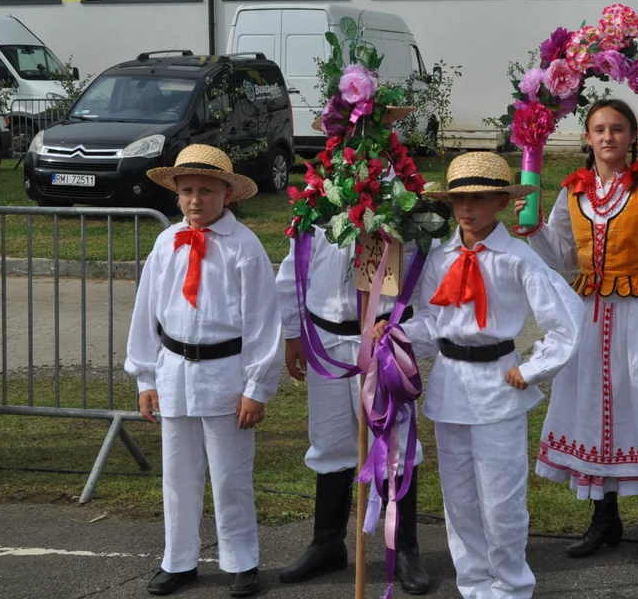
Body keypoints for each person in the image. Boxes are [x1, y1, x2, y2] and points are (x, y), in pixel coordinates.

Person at [372, 152, 583, 599]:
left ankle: (509, 587)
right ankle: (473, 584)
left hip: (497, 386)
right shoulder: (440, 256)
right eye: (458, 200)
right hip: (451, 386)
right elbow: (432, 321)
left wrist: (532, 367)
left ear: (502, 202)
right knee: (461, 501)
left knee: (501, 500)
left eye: (479, 199)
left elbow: (566, 320)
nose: (466, 209)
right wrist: (395, 336)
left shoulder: (517, 258)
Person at [513, 99, 638, 568]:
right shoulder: (572, 192)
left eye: (617, 129)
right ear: (586, 138)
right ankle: (605, 519)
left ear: (633, 137)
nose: (607, 137)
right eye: (598, 129)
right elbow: (561, 254)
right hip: (589, 314)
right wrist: (533, 225)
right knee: (592, 406)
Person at [125, 145, 282, 597]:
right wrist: (146, 377)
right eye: (187, 190)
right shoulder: (165, 242)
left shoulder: (245, 249)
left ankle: (241, 560)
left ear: (228, 194)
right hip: (174, 369)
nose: (196, 200)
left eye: (207, 191)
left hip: (226, 374)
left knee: (231, 474)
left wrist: (257, 388)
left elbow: (263, 323)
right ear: (175, 193)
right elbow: (146, 313)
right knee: (178, 475)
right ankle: (179, 560)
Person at [274, 229, 432, 593]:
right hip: (325, 338)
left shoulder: (403, 207)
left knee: (393, 442)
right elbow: (293, 273)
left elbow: (429, 271)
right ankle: (327, 543)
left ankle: (404, 549)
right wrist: (293, 331)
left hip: (383, 339)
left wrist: (406, 332)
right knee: (330, 441)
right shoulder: (319, 205)